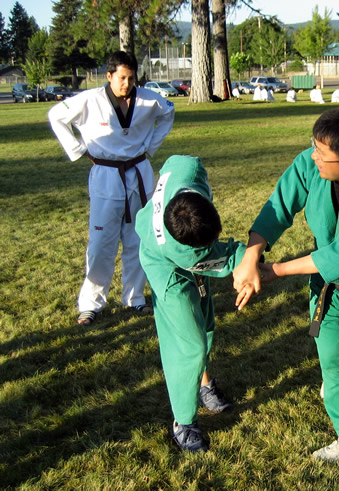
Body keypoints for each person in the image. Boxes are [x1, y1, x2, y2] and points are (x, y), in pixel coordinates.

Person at [233, 107, 339, 461]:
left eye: (322, 154)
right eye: (314, 146)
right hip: (327, 292)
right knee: (334, 361)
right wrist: (252, 256)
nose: (313, 157)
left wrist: (275, 271)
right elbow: (279, 206)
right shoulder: (310, 163)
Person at [48, 51, 175, 326]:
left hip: (139, 172)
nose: (126, 84)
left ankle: (135, 298)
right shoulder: (90, 100)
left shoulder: (148, 99)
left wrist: (150, 146)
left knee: (137, 238)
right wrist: (79, 149)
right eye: (121, 78)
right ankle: (90, 304)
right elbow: (56, 115)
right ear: (109, 76)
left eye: (131, 78)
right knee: (101, 242)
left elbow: (169, 112)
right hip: (106, 172)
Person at [135, 155, 250, 452]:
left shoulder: (186, 167)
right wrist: (251, 260)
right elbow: (226, 257)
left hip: (182, 250)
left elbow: (173, 164)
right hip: (164, 268)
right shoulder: (184, 252)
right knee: (190, 345)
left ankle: (203, 383)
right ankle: (183, 422)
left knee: (205, 321)